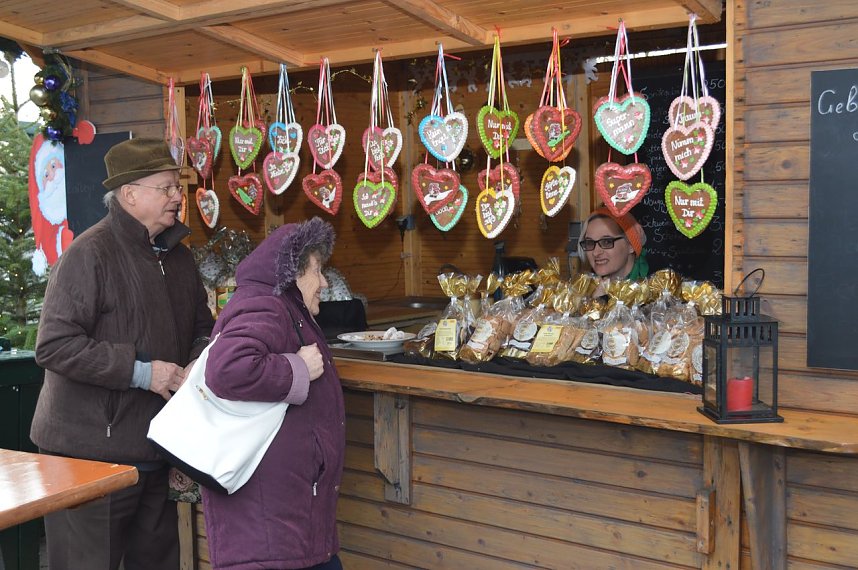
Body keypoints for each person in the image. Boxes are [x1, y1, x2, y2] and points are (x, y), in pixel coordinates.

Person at [31, 138, 215, 570]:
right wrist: (142, 373)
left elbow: (204, 330)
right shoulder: (88, 254)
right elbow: (54, 345)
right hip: (86, 456)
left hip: (156, 448)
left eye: (177, 187)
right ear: (130, 194)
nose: (177, 197)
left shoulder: (179, 257)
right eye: (166, 188)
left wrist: (195, 362)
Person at [201, 217, 345, 570]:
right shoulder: (267, 304)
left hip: (286, 520)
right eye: (318, 271)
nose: (324, 282)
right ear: (294, 273)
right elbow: (227, 368)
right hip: (269, 528)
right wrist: (296, 369)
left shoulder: (284, 307)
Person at [578, 206, 649, 282]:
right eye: (590, 243)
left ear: (630, 244)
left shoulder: (655, 288)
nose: (596, 253)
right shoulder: (581, 290)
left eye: (606, 242)